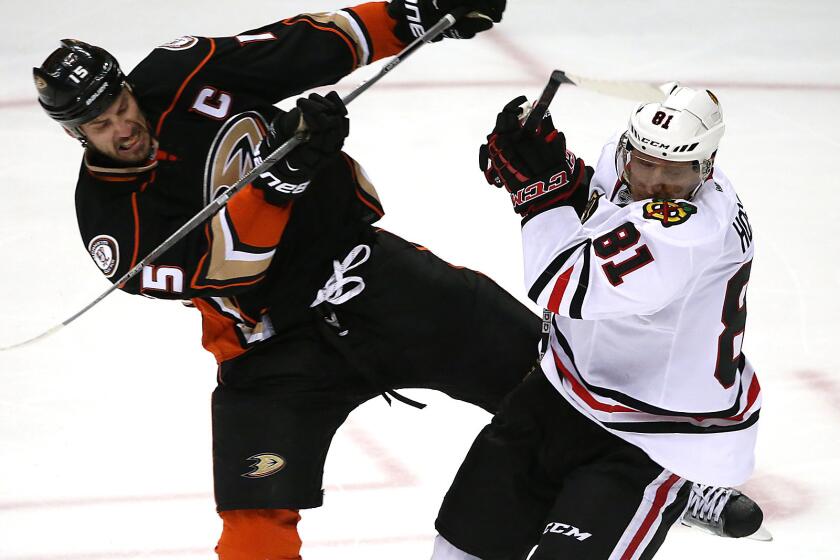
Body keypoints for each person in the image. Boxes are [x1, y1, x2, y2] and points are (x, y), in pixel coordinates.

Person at [32, 2, 537, 558]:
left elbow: (303, 45)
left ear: (128, 86)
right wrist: (281, 179)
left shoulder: (184, 73)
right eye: (100, 126)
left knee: (557, 388)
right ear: (74, 133)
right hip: (270, 349)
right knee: (253, 532)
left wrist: (411, 14)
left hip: (367, 274)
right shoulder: (111, 226)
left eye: (122, 106)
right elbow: (230, 266)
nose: (123, 128)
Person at [430, 86, 765, 560]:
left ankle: (682, 489)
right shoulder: (627, 162)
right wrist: (550, 164)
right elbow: (599, 199)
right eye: (643, 162)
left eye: (672, 172)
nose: (651, 180)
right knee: (458, 549)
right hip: (558, 391)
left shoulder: (690, 234)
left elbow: (561, 284)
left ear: (705, 168)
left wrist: (536, 192)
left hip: (650, 435)